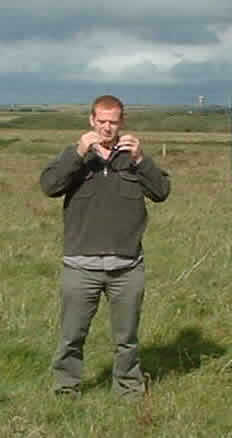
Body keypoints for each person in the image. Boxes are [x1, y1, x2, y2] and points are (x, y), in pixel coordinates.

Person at [40, 95, 170, 399]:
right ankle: (65, 391)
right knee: (72, 336)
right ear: (91, 121)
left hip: (126, 267)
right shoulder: (77, 157)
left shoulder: (132, 159)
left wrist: (141, 160)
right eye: (102, 122)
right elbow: (49, 186)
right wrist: (77, 152)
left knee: (126, 338)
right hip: (80, 267)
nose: (107, 128)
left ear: (122, 122)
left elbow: (161, 191)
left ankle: (128, 392)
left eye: (113, 122)